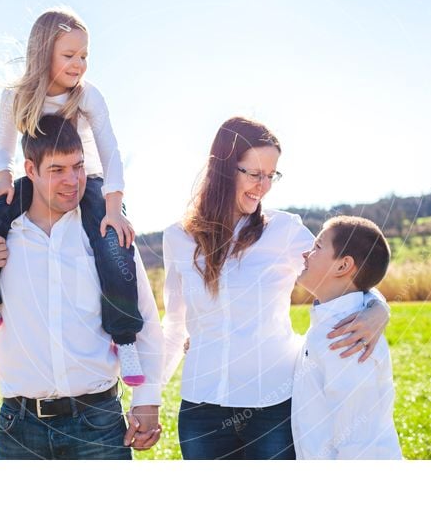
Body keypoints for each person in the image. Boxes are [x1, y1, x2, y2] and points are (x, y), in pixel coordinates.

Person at [161, 117, 391, 460]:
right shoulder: (178, 238)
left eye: (272, 175)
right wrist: (147, 399)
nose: (264, 186)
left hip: (272, 407)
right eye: (255, 174)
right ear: (223, 168)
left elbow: (344, 270)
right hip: (201, 409)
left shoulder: (283, 230)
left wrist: (378, 307)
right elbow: (175, 324)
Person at [0, 115, 163, 460]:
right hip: (20, 429)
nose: (72, 180)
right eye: (57, 169)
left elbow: (145, 317)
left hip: (99, 424)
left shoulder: (104, 232)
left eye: (78, 167)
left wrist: (147, 402)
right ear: (30, 169)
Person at [0, 7, 145, 388]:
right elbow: (2, 148)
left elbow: (111, 152)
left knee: (113, 242)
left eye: (84, 56)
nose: (79, 64)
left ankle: (124, 338)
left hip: (87, 180)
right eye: (69, 55)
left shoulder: (87, 96)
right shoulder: (16, 97)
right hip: (36, 178)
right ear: (44, 53)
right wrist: (3, 180)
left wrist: (114, 207)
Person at [291, 216, 402, 460]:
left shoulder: (347, 337)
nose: (305, 254)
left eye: (318, 247)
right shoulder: (328, 324)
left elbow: (361, 444)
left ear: (342, 266)